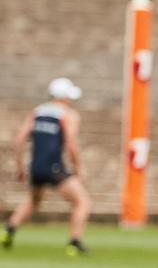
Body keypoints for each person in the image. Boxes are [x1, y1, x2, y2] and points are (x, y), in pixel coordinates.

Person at [4, 77, 92, 256]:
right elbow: (71, 145)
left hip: (35, 167)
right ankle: (74, 242)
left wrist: (20, 167)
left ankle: (9, 230)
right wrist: (78, 170)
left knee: (34, 201)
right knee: (82, 201)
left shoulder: (36, 112)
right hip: (54, 167)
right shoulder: (68, 115)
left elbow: (18, 142)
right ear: (65, 96)